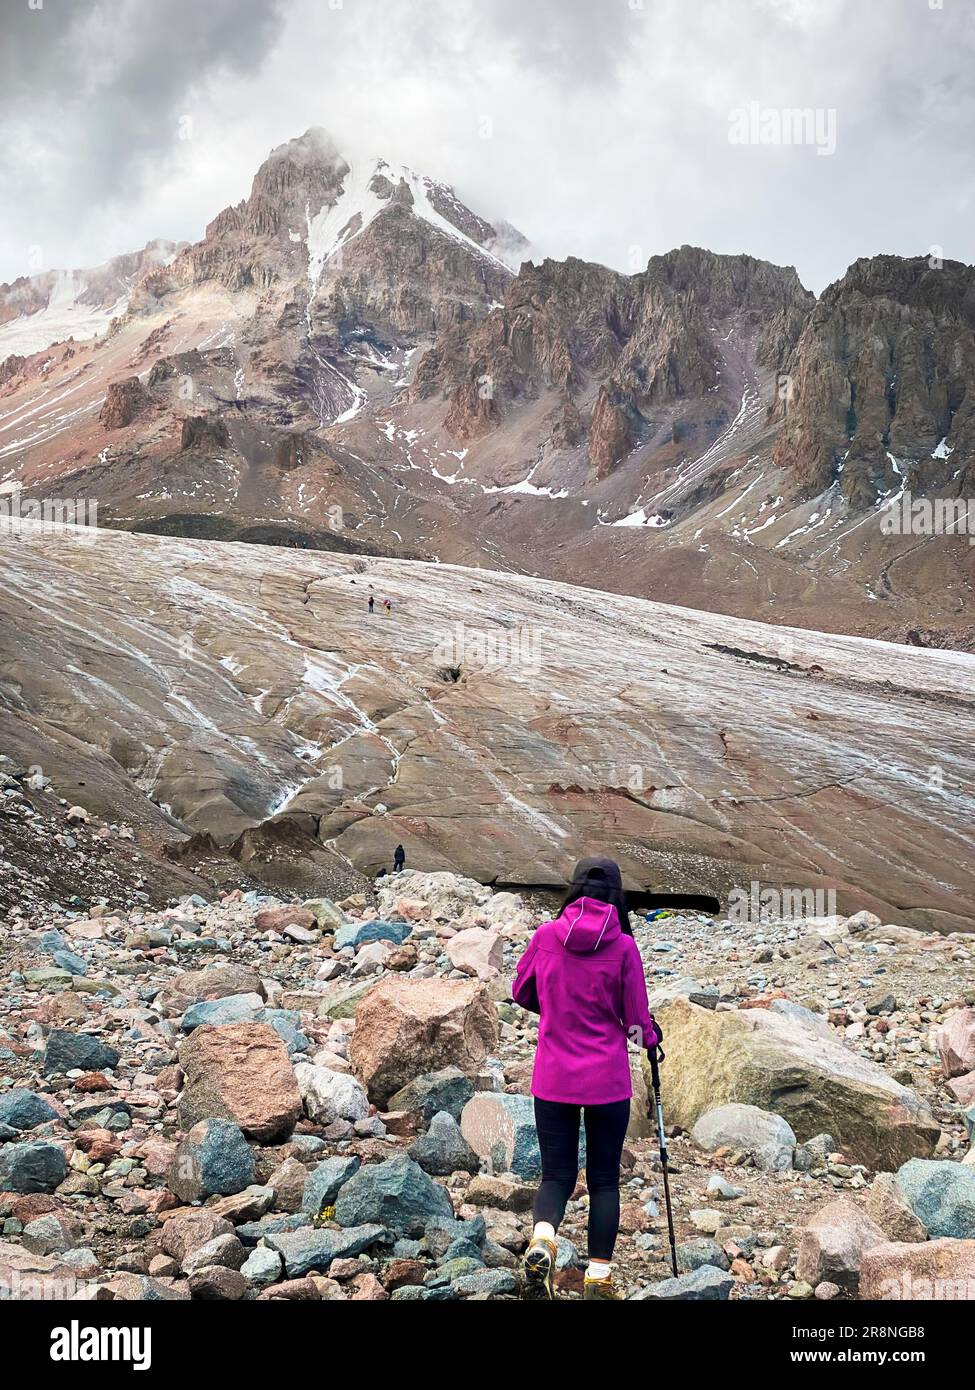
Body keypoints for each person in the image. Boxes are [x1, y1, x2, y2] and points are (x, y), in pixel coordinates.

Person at [511, 856, 662, 1301]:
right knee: (603, 1180)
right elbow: (636, 1021)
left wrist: (556, 1009)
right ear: (617, 896)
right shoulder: (625, 948)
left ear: (574, 890)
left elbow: (520, 990)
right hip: (607, 1083)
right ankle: (598, 1279)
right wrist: (651, 1037)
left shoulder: (545, 936)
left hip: (553, 1077)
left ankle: (543, 1240)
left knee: (556, 1175)